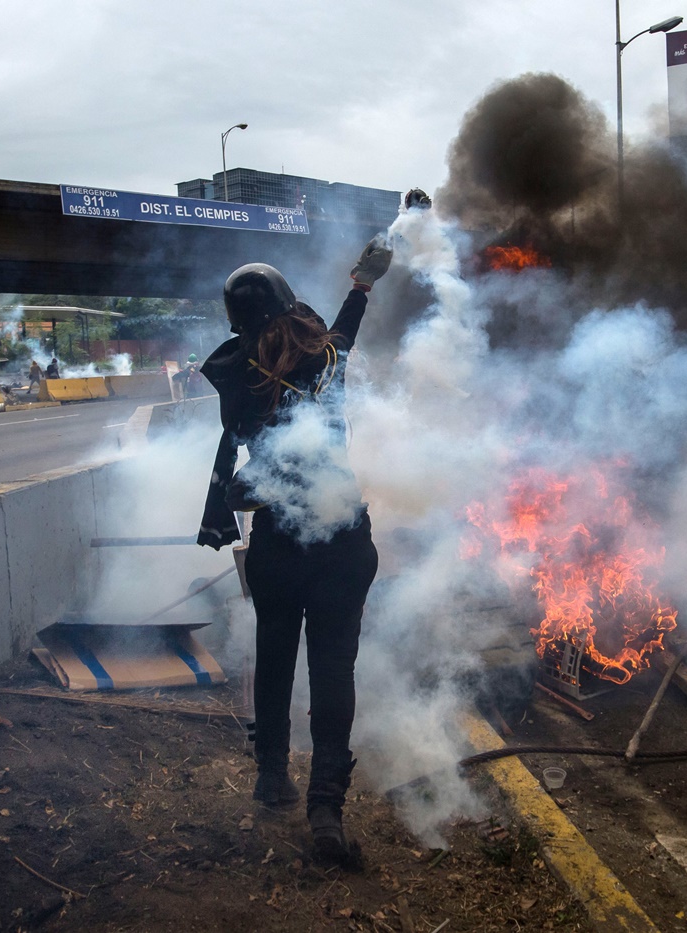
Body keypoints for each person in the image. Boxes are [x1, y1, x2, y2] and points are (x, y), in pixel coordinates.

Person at [196, 236, 393, 863]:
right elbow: (342, 330)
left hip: (279, 545)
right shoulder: (327, 359)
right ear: (289, 306)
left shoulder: (236, 377)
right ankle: (327, 809)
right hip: (340, 540)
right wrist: (361, 284)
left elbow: (241, 462)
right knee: (333, 670)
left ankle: (271, 776)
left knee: (276, 656)